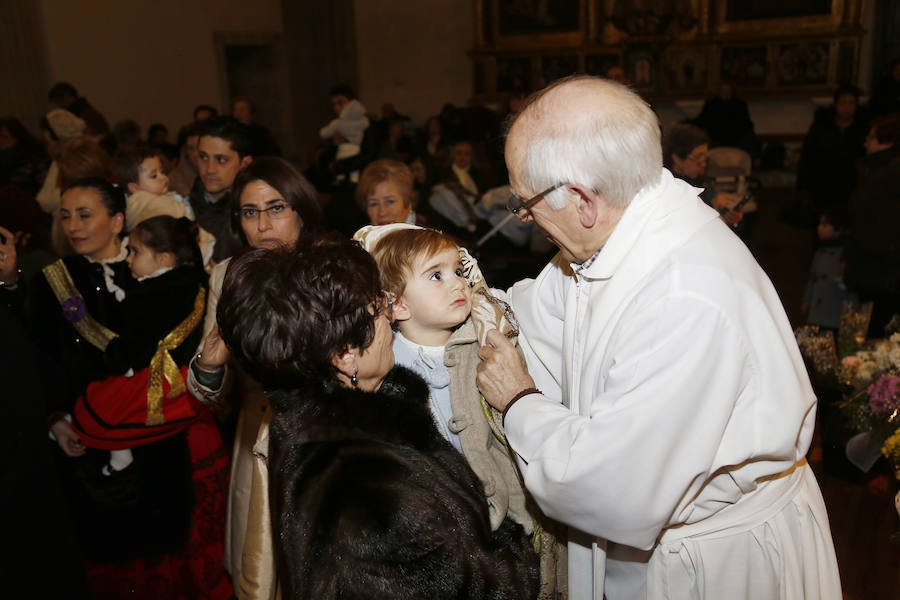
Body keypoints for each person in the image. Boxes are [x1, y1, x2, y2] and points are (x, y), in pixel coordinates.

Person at [475, 75, 841, 599]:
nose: (526, 215)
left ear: (581, 199)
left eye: (525, 200)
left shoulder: (683, 296)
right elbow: (538, 310)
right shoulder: (621, 231)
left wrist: (518, 401)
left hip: (715, 566)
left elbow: (611, 484)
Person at [215, 236, 540, 599]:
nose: (389, 321)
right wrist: (519, 544)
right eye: (377, 310)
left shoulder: (309, 424)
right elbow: (484, 588)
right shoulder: (367, 483)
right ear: (345, 354)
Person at [61, 214, 232, 599]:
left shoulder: (151, 295)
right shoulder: (191, 283)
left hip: (158, 385)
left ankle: (119, 454)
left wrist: (113, 355)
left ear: (165, 258)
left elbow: (133, 346)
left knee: (100, 408)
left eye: (135, 252)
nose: (128, 259)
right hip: (181, 386)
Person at [187, 156, 321, 600]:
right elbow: (213, 394)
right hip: (257, 433)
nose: (263, 223)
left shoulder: (330, 268)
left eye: (276, 207)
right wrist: (210, 363)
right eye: (250, 212)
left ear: (300, 212)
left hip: (324, 438)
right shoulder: (227, 276)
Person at [188, 116, 254, 263]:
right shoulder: (179, 206)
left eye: (221, 160)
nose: (210, 169)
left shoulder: (254, 216)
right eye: (203, 157)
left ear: (244, 164)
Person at [797, 84, 868, 211]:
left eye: (851, 103)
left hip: (851, 186)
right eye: (843, 103)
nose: (847, 108)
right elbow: (808, 156)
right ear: (835, 104)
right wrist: (805, 187)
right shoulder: (821, 127)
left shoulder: (863, 129)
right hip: (824, 185)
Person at [663, 123, 744, 228]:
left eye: (705, 158)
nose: (703, 164)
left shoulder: (699, 179)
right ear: (677, 158)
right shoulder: (667, 186)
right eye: (698, 158)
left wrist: (727, 213)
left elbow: (715, 198)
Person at [801, 209, 848, 330]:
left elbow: (848, 282)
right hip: (817, 312)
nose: (819, 228)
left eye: (825, 225)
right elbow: (813, 278)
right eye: (820, 224)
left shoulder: (845, 253)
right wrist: (807, 300)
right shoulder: (819, 252)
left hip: (835, 309)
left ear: (837, 230)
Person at [319, 84, 370, 167]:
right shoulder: (336, 125)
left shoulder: (367, 124)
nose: (336, 107)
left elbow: (368, 155)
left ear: (353, 103)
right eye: (333, 104)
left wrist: (339, 166)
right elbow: (327, 158)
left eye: (340, 103)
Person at [356, 158, 419, 226]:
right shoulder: (361, 236)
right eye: (373, 204)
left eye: (390, 202)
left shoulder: (424, 236)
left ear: (408, 204)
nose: (382, 212)